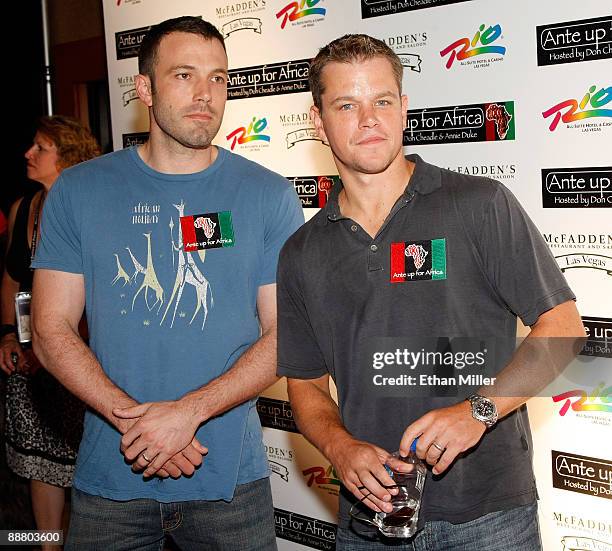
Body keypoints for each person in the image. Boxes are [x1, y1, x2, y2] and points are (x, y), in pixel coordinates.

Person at [276, 35, 585, 550]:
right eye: (346, 105)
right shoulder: (302, 252)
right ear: (317, 121)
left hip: (490, 517)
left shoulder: (478, 204)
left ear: (404, 109)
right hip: (369, 518)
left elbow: (563, 327)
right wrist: (340, 447)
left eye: (382, 100)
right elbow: (306, 386)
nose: (368, 118)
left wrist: (478, 412)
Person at [30, 16, 303, 551]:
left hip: (231, 482)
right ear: (146, 88)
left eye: (219, 78)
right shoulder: (80, 191)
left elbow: (285, 334)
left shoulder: (268, 195)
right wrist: (140, 425)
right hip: (110, 481)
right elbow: (49, 329)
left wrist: (187, 414)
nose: (205, 94)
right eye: (184, 75)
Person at [0, 115, 100, 548]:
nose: (28, 154)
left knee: (82, 463)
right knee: (37, 463)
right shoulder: (24, 207)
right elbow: (10, 279)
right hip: (28, 358)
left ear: (68, 155)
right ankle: (44, 544)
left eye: (40, 147)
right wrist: (8, 333)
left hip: (82, 356)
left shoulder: (91, 206)